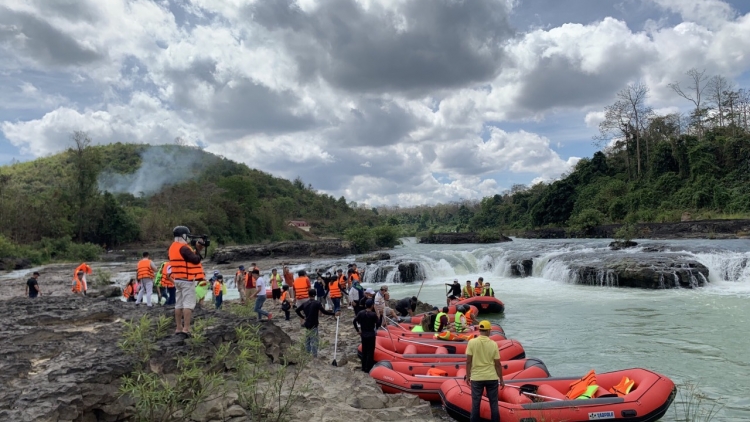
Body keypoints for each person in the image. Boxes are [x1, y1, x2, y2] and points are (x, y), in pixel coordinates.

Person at [167, 225, 205, 337]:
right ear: (183, 236)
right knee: (188, 305)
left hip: (177, 279)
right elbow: (195, 260)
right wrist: (198, 250)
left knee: (178, 305)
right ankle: (186, 328)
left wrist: (195, 250)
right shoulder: (183, 248)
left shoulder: (173, 247)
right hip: (187, 280)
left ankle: (178, 328)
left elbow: (185, 258)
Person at [466, 320, 504, 422]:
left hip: (477, 378)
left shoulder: (472, 342)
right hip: (491, 377)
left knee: (475, 404)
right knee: (494, 403)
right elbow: (497, 364)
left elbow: (468, 361)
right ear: (488, 331)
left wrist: (468, 376)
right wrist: (501, 379)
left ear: (479, 330)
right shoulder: (493, 344)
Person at [295, 288, 337, 357]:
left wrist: (303, 317)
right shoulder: (317, 303)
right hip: (314, 324)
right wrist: (333, 313)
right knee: (314, 340)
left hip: (307, 323)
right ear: (315, 295)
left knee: (307, 340)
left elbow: (297, 310)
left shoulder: (305, 304)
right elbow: (324, 312)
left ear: (308, 295)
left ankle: (307, 353)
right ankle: (314, 355)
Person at [353, 298, 379, 373]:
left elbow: (354, 321)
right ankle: (369, 368)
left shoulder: (361, 313)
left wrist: (358, 331)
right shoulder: (373, 315)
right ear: (372, 306)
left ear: (365, 305)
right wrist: (378, 315)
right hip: (371, 334)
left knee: (364, 351)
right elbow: (378, 324)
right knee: (370, 352)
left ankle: (363, 367)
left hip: (363, 334)